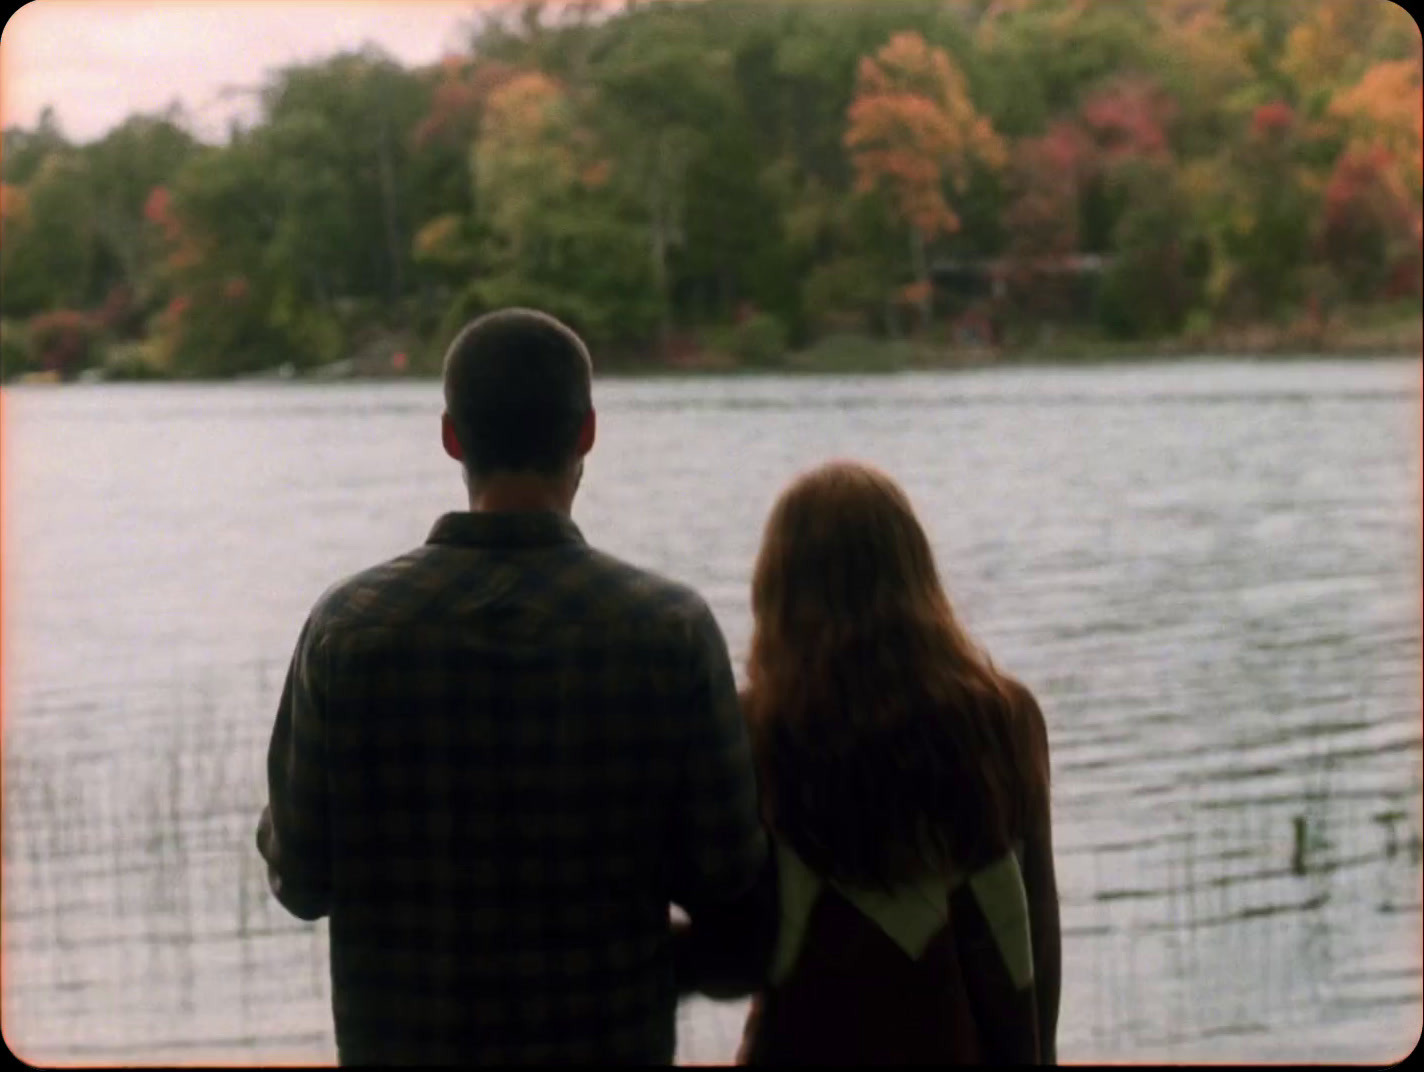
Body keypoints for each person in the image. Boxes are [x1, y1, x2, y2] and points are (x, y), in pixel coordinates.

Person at [255, 308, 774, 1065]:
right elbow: (730, 880)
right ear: (587, 432)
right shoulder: (671, 633)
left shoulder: (349, 630)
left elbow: (300, 882)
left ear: (452, 437)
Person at [678, 460, 1060, 1064]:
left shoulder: (752, 728)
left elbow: (734, 939)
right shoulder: (1005, 719)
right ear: (918, 574)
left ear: (776, 587)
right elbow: (1035, 936)